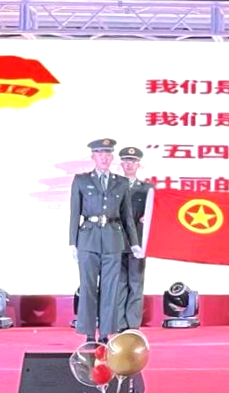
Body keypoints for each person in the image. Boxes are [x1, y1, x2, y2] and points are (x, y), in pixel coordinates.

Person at [70, 138, 142, 344]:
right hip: (88, 239)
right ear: (93, 156)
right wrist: (72, 242)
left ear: (112, 158)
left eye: (108, 154)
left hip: (113, 239)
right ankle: (88, 334)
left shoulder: (121, 183)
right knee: (88, 287)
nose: (104, 157)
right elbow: (74, 213)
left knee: (111, 289)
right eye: (100, 153)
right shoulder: (81, 180)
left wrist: (134, 243)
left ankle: (104, 334)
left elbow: (127, 216)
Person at [116, 146, 153, 332]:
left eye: (133, 161)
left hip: (138, 242)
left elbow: (156, 211)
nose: (129, 164)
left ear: (139, 164)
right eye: (126, 160)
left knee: (136, 283)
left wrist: (149, 216)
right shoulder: (113, 186)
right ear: (121, 164)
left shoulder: (147, 189)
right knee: (119, 284)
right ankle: (119, 324)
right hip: (116, 241)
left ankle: (132, 326)